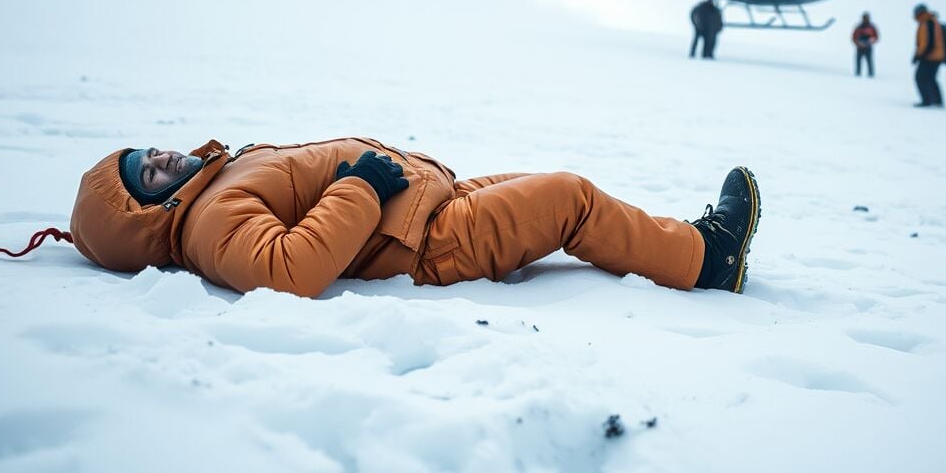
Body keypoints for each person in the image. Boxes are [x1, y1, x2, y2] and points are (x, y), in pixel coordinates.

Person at [60, 138, 763, 298]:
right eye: (147, 174)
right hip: (422, 241)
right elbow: (289, 270)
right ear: (148, 212)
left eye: (146, 151)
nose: (161, 157)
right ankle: (709, 257)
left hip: (426, 204)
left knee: (548, 184)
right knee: (566, 198)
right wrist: (360, 188)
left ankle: (677, 241)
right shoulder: (206, 225)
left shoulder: (215, 183)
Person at [912, 3, 945, 107]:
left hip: (930, 57)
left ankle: (927, 100)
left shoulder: (927, 23)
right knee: (931, 79)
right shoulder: (932, 22)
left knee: (920, 77)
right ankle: (937, 101)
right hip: (937, 56)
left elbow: (928, 43)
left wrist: (920, 56)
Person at [852, 12, 879, 77]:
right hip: (859, 48)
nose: (865, 19)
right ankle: (858, 74)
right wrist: (858, 43)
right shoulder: (858, 27)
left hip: (868, 48)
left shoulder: (872, 27)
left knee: (869, 62)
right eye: (864, 18)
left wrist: (870, 41)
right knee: (858, 62)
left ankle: (871, 75)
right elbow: (854, 37)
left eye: (867, 18)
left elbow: (876, 37)